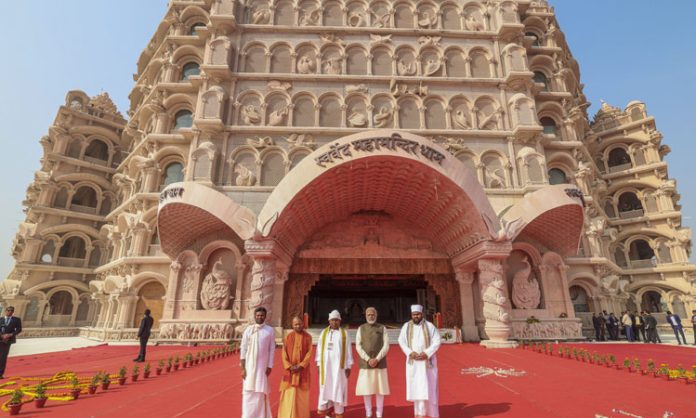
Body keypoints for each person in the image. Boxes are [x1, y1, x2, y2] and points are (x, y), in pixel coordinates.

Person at [398, 304, 441, 418]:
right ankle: (419, 414)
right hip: (414, 363)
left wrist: (426, 353)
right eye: (413, 314)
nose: (415, 316)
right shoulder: (406, 326)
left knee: (430, 389)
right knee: (417, 390)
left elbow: (437, 341)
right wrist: (410, 352)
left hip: (427, 363)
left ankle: (432, 415)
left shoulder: (430, 326)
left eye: (417, 314)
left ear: (421, 314)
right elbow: (401, 341)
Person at [316, 310, 353, 418]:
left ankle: (338, 413)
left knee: (338, 389)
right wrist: (318, 364)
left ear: (340, 321)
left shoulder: (344, 334)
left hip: (339, 369)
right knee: (326, 389)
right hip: (326, 368)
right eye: (332, 320)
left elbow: (349, 351)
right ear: (329, 321)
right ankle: (327, 413)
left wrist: (349, 366)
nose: (334, 322)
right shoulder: (323, 333)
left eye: (337, 320)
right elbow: (319, 350)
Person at [240, 307, 275, 418]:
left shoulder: (269, 330)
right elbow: (243, 348)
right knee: (248, 392)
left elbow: (272, 349)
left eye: (262, 315)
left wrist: (269, 366)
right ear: (255, 316)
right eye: (258, 315)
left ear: (265, 316)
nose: (260, 317)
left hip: (262, 367)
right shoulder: (249, 330)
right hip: (249, 367)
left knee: (260, 392)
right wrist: (242, 367)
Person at [356, 307, 390, 418]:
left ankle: (379, 413)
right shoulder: (361, 328)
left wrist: (377, 359)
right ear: (365, 316)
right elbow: (358, 346)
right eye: (369, 314)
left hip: (379, 363)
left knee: (380, 389)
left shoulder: (382, 328)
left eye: (373, 314)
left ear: (376, 315)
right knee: (367, 389)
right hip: (366, 363)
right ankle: (368, 412)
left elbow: (386, 345)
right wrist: (368, 359)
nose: (371, 316)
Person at [278, 316, 313, 418]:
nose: (298, 326)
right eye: (295, 324)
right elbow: (283, 353)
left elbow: (309, 353)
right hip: (290, 371)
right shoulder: (288, 337)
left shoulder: (308, 337)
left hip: (302, 371)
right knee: (288, 393)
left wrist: (301, 366)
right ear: (292, 325)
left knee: (301, 394)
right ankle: (286, 415)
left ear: (303, 324)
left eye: (299, 324)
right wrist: (289, 366)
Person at [0, 306, 22, 379]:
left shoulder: (16, 320)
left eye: (12, 311)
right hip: (0, 338)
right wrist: (2, 335)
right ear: (5, 311)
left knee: (3, 357)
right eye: (8, 310)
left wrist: (10, 334)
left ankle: (0, 374)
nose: (10, 312)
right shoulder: (0, 319)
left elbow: (19, 329)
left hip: (7, 341)